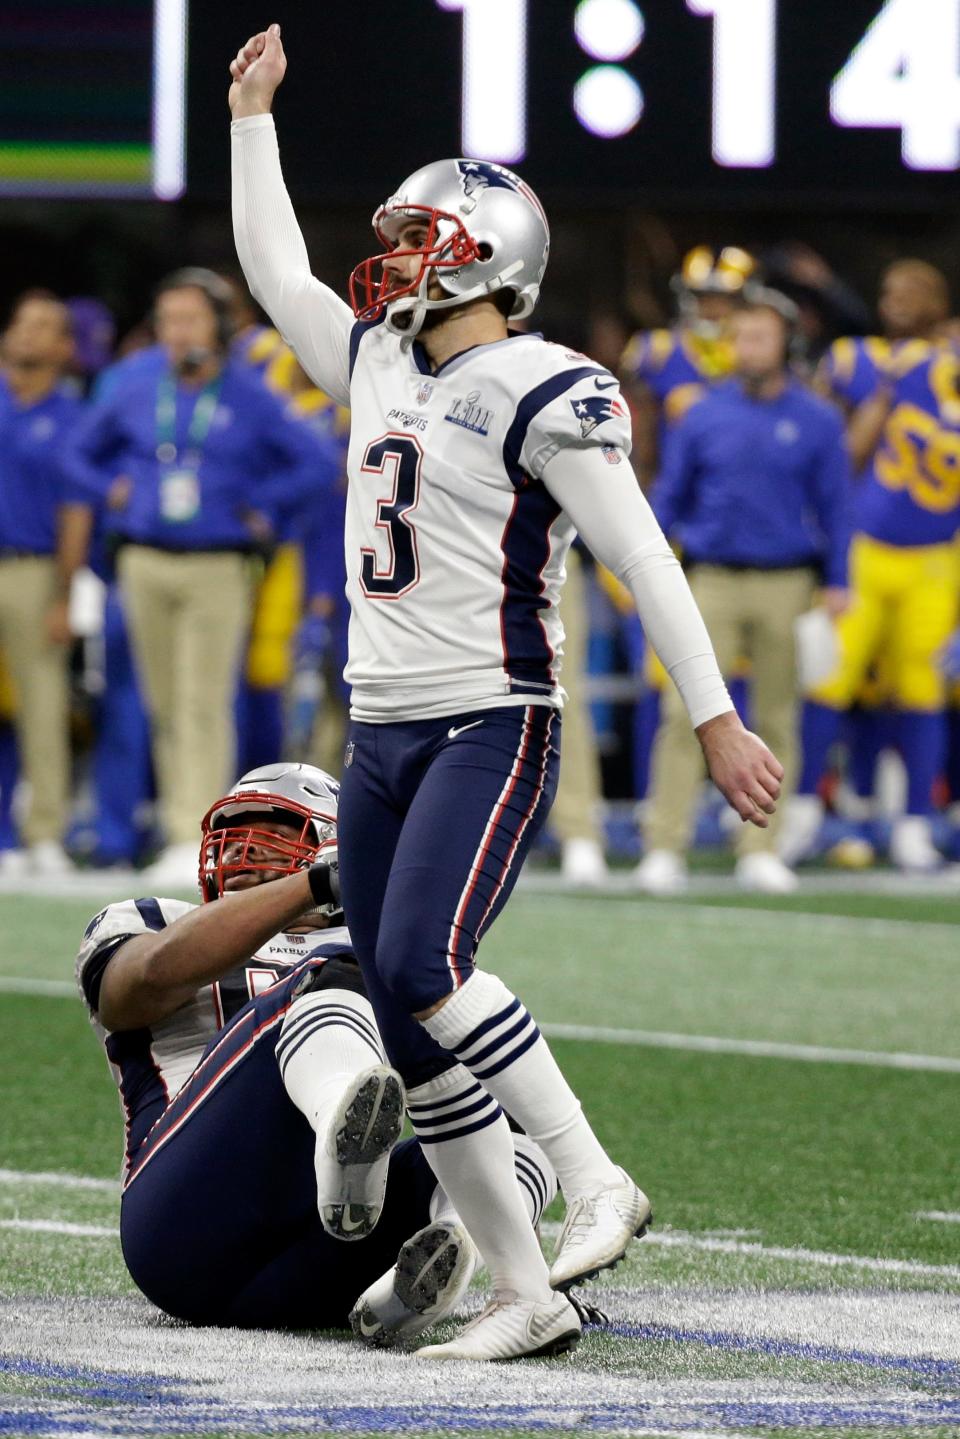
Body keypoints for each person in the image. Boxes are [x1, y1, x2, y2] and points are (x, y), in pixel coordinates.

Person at [229, 23, 781, 1361]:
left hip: (492, 715)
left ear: (483, 255)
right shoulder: (372, 357)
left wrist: (711, 711)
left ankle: (593, 1173)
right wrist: (253, 122)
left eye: (421, 238)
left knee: (422, 962)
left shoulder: (546, 382)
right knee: (410, 1011)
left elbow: (641, 553)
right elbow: (276, 270)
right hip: (380, 729)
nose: (396, 259)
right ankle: (526, 1290)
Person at [75, 761, 558, 1341]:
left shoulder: (380, 947)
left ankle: (447, 1262)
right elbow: (138, 985)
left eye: (272, 831)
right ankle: (341, 1128)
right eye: (232, 837)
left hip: (332, 1259)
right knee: (331, 973)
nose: (239, 854)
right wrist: (312, 884)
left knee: (512, 1100)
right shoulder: (159, 922)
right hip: (185, 1226)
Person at [65, 268, 336, 889]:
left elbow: (317, 460)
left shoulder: (248, 391)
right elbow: (75, 454)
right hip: (144, 558)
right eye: (167, 319)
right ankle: (176, 822)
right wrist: (113, 491)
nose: (176, 331)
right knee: (162, 700)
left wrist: (264, 509)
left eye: (189, 317)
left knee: (204, 699)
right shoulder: (133, 385)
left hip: (219, 560)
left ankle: (192, 830)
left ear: (219, 324)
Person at [636, 294, 851, 895]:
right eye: (741, 336)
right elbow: (670, 498)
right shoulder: (702, 415)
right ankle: (664, 842)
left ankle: (760, 845)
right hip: (710, 579)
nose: (749, 347)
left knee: (778, 715)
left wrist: (839, 579)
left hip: (788, 581)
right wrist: (647, 568)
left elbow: (837, 506)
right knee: (686, 714)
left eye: (761, 336)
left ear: (786, 344)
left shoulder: (817, 418)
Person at [788, 341, 960, 872]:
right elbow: (844, 451)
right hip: (867, 547)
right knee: (828, 682)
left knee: (921, 689)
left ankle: (913, 825)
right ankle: (800, 815)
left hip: (936, 558)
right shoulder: (901, 368)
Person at [0, 290, 93, 875]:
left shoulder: (72, 418)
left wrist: (64, 594)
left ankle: (44, 834)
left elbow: (76, 511)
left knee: (42, 703)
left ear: (64, 347)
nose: (28, 334)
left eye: (44, 327)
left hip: (34, 570)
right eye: (21, 322)